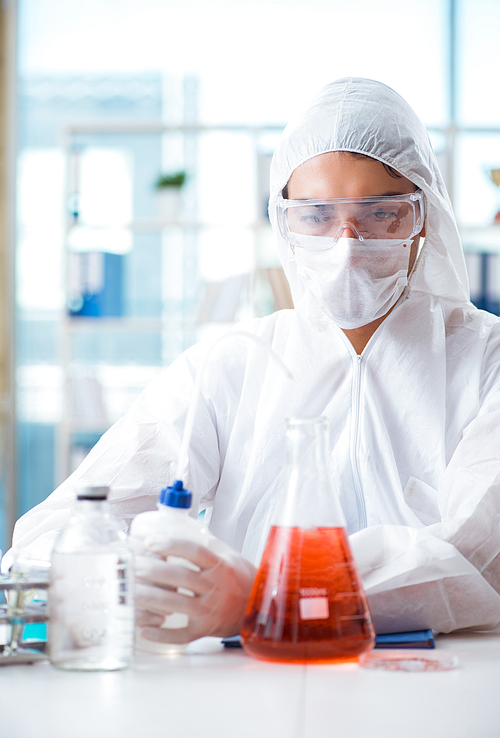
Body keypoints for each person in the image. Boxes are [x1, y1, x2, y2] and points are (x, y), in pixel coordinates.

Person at [6, 77, 500, 643]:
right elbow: (54, 534)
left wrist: (268, 593)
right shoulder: (232, 366)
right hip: (253, 692)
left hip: (446, 701)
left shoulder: (488, 361)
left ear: (424, 216)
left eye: (380, 212)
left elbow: (480, 556)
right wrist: (130, 572)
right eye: (315, 216)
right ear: (283, 222)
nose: (347, 242)